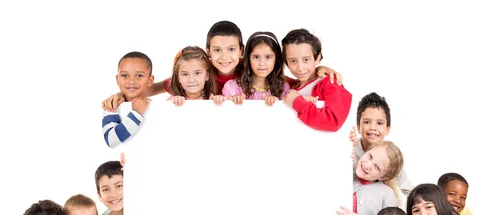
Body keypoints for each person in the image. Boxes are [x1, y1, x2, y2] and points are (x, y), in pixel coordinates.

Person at [101, 21, 342, 111]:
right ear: (208, 53)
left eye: (231, 50)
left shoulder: (251, 74)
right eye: (216, 50)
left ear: (241, 53)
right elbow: (159, 87)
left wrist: (321, 68)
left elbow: (292, 82)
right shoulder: (198, 76)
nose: (224, 57)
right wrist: (122, 95)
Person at [281, 28, 352, 132]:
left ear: (317, 58)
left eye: (306, 60)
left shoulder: (330, 83)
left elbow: (333, 121)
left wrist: (296, 102)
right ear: (286, 62)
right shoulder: (290, 86)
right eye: (293, 61)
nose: (300, 67)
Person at [348, 92, 413, 197]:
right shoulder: (351, 148)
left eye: (379, 123)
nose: (373, 127)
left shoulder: (391, 157)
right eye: (367, 122)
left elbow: (408, 190)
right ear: (358, 127)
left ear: (388, 129)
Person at [221, 31, 290, 106]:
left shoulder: (283, 88)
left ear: (276, 59)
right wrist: (231, 101)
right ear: (248, 59)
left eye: (268, 57)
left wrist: (277, 104)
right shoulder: (232, 88)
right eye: (256, 57)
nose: (262, 63)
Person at [102, 51, 154, 148]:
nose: (131, 81)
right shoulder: (112, 105)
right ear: (117, 79)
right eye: (125, 76)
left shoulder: (155, 104)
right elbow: (111, 141)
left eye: (139, 76)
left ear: (150, 80)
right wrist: (136, 114)